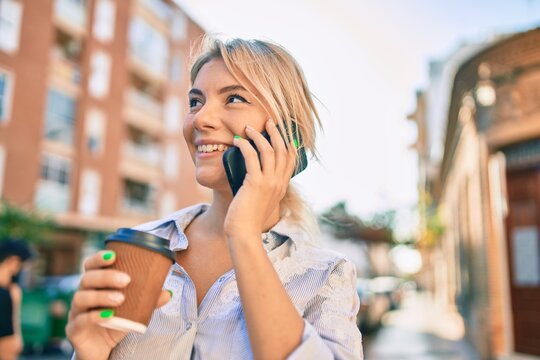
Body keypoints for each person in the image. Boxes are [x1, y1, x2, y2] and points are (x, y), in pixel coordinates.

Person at [66, 37, 363, 359]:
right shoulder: (143, 245)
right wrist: (90, 352)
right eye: (195, 101)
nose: (201, 119)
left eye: (234, 98)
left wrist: (244, 234)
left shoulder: (324, 275)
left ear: (288, 134)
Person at [0, 239, 34, 360]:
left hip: (7, 338)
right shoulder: (12, 290)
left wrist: (17, 339)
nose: (19, 268)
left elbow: (14, 318)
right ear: (13, 259)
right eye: (20, 264)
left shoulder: (13, 289)